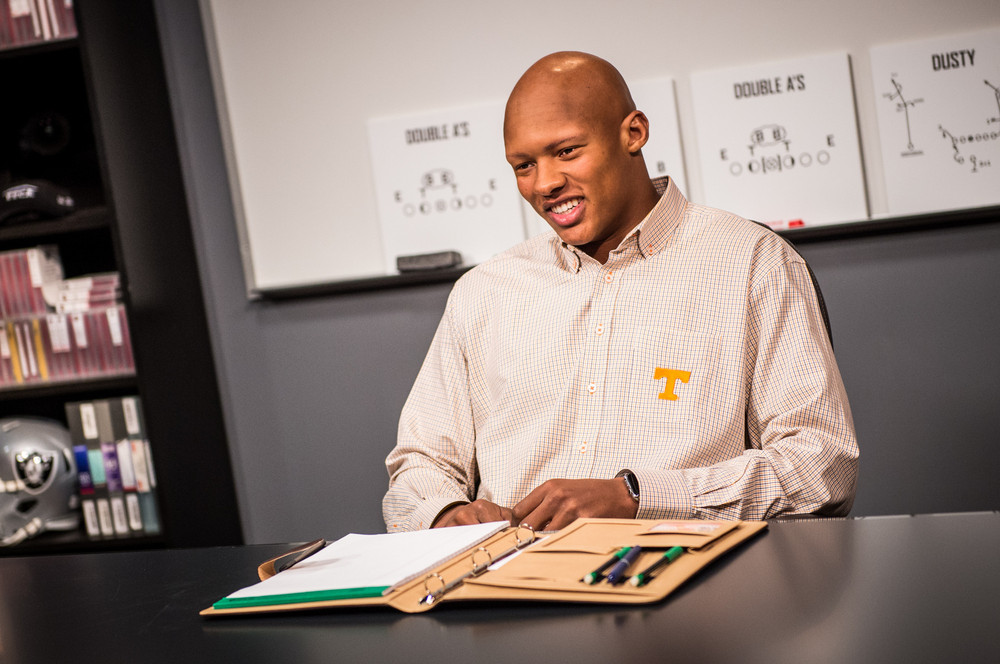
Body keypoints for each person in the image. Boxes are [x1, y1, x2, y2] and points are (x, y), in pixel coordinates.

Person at [383, 51, 859, 532]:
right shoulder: (482, 291)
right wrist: (445, 515)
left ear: (634, 133)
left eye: (567, 151)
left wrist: (637, 497)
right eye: (523, 165)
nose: (545, 183)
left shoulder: (754, 262)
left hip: (692, 588)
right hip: (505, 591)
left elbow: (821, 466)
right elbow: (420, 465)